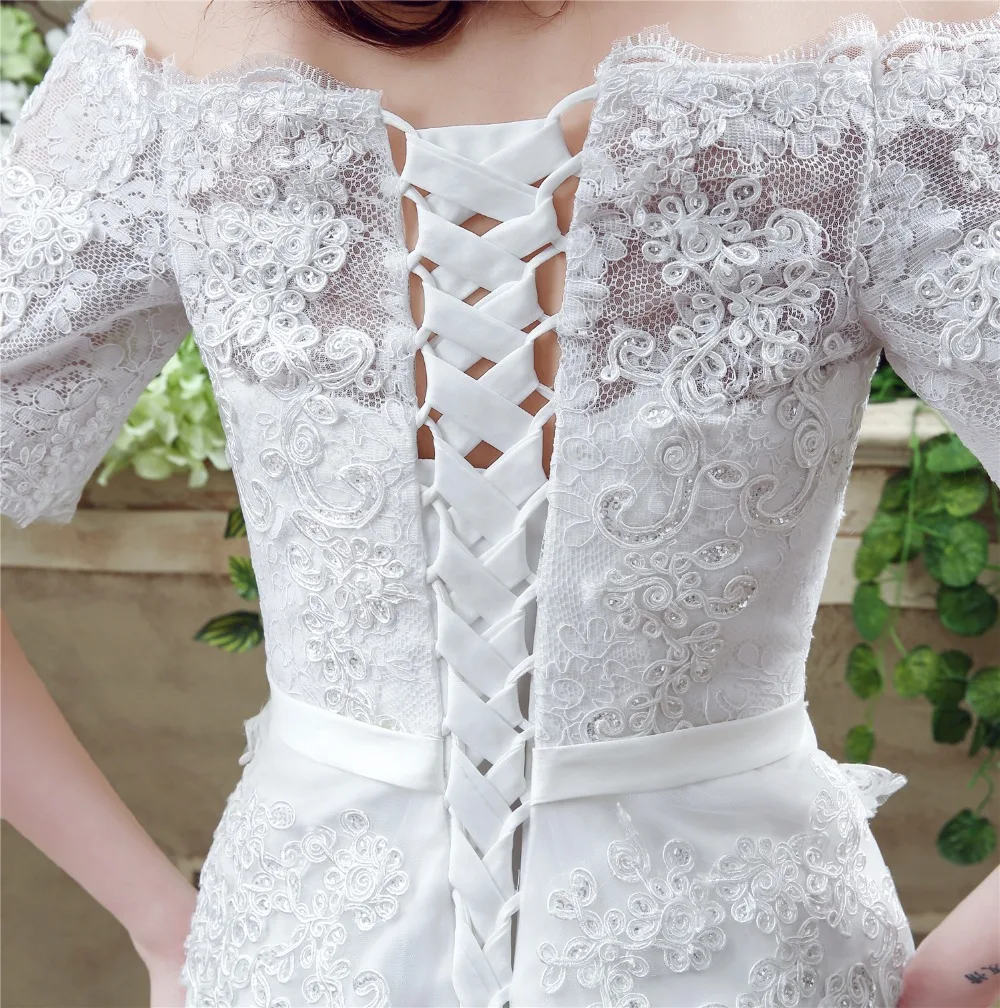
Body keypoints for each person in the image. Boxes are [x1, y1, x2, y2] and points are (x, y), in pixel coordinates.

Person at [1, 1, 998, 1006]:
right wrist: (962, 978)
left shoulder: (178, 38)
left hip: (304, 950)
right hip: (747, 955)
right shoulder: (884, 45)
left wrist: (158, 921)